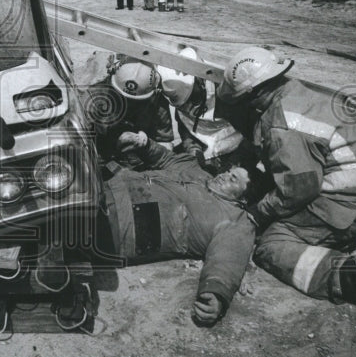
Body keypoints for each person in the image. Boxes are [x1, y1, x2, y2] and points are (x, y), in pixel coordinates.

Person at [218, 46, 356, 342]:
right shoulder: (296, 92)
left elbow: (298, 190)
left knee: (271, 246)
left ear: (253, 95)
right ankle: (352, 248)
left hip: (344, 206)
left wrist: (256, 214)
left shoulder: (281, 124)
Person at [100, 135, 256, 326]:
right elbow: (166, 158)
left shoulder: (234, 219)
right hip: (105, 186)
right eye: (228, 171)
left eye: (233, 179)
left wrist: (215, 293)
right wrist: (145, 144)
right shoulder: (198, 172)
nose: (223, 175)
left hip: (123, 225)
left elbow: (227, 259)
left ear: (243, 199)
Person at [156, 47, 246, 170]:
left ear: (199, 81)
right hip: (204, 149)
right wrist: (192, 149)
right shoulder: (181, 97)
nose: (189, 102)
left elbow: (251, 131)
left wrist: (236, 160)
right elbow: (185, 126)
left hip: (235, 144)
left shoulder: (229, 89)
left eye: (192, 96)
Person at [84, 58, 175, 168]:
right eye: (121, 97)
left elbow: (165, 147)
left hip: (138, 161)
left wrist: (146, 144)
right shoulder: (94, 97)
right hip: (100, 155)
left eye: (136, 101)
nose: (128, 104)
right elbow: (79, 139)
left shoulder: (157, 104)